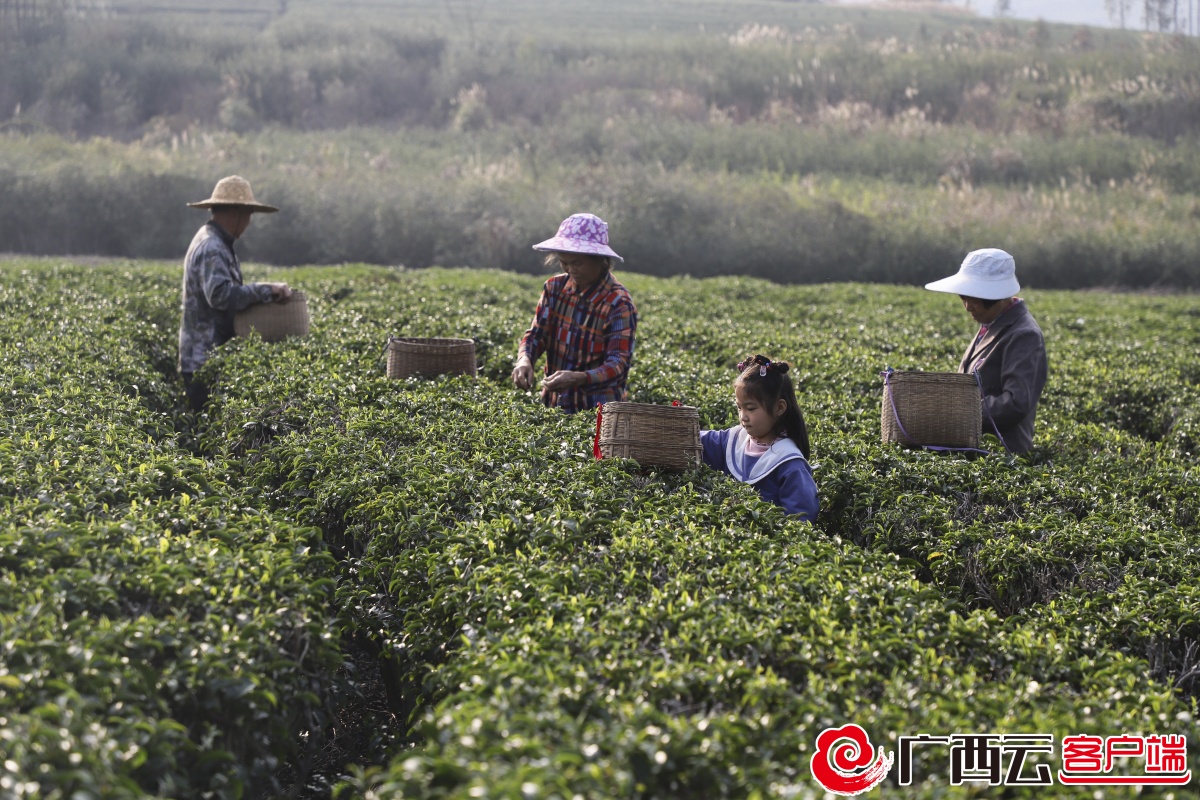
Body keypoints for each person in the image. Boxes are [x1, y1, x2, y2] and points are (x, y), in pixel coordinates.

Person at [178, 175, 291, 412]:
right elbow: (221, 296)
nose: (248, 222)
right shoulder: (212, 247)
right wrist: (266, 290)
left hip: (204, 357)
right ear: (236, 213)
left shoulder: (217, 243)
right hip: (203, 360)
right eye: (248, 215)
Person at [925, 248, 1048, 454]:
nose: (967, 307)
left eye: (974, 299)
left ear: (999, 296)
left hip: (999, 454)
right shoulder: (990, 324)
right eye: (963, 297)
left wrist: (959, 413)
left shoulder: (1024, 335)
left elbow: (1015, 402)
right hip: (973, 446)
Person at [512, 213, 638, 413]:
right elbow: (536, 335)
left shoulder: (618, 303)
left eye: (577, 263)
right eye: (564, 262)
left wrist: (579, 378)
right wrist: (524, 359)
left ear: (600, 260)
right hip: (553, 405)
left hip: (597, 412)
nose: (570, 270)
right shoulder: (554, 288)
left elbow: (617, 365)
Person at [700, 355, 819, 521]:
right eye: (739, 407)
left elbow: (801, 518)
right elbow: (698, 442)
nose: (743, 417)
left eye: (750, 408)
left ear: (779, 408)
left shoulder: (790, 464)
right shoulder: (734, 440)